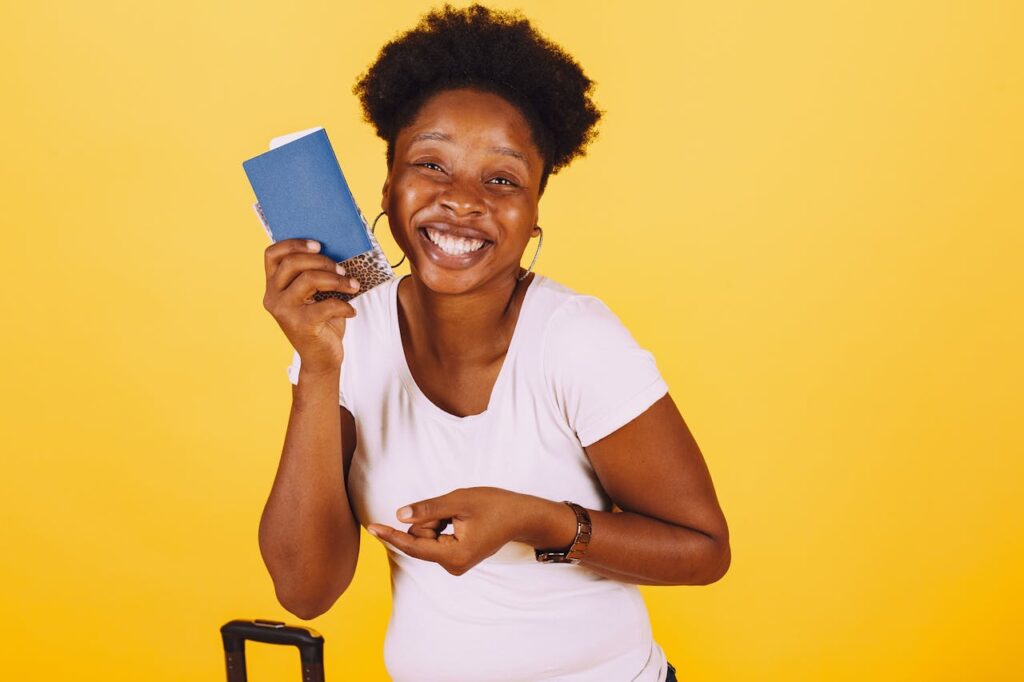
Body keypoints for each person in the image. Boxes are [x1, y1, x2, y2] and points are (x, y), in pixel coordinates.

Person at [257, 5, 729, 681]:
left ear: (534, 209)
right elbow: (305, 590)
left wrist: (536, 520)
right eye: (431, 164)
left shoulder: (574, 342)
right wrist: (318, 368)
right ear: (389, 188)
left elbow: (704, 551)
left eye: (502, 179)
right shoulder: (347, 335)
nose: (462, 200)